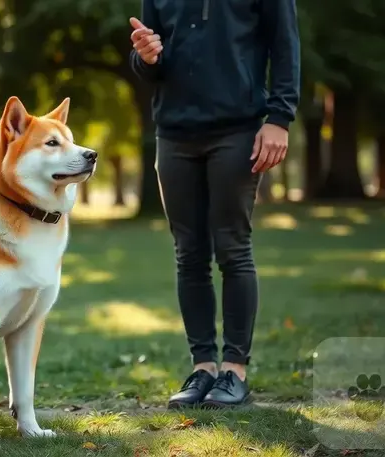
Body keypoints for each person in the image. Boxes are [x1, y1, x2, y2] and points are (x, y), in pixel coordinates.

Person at [128, 0, 300, 408]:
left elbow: (285, 46)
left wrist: (279, 118)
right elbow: (147, 61)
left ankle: (235, 371)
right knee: (188, 254)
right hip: (173, 133)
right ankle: (203, 367)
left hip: (237, 130)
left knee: (232, 248)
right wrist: (145, 56)